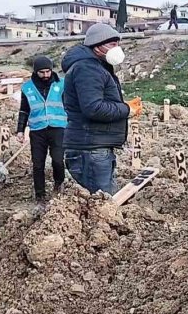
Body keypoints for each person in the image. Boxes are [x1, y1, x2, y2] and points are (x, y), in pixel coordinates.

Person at [61, 23, 129, 195]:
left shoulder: (95, 67)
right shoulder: (87, 68)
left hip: (94, 147)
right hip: (90, 149)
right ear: (97, 46)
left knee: (102, 204)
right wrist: (125, 109)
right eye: (113, 44)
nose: (117, 48)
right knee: (100, 207)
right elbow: (93, 108)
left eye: (118, 44)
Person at [16, 56, 67, 207]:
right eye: (42, 72)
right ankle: (40, 196)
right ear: (35, 72)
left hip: (58, 128)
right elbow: (24, 110)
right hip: (37, 130)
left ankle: (59, 184)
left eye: (48, 71)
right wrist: (20, 130)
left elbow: (69, 105)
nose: (46, 75)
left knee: (58, 160)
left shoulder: (61, 84)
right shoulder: (27, 88)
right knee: (38, 164)